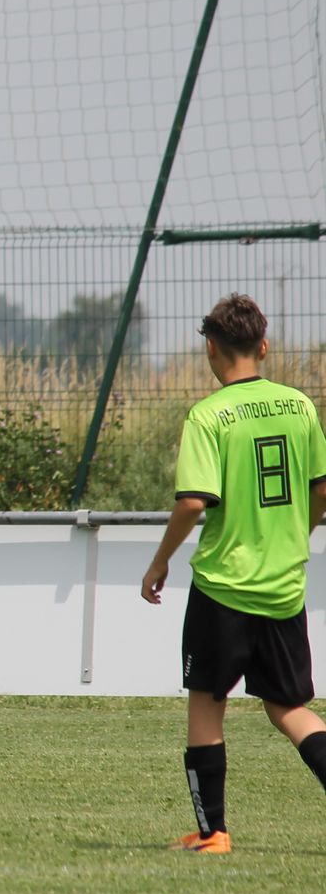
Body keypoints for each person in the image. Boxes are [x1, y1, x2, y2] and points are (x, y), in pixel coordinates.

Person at [140, 293, 326, 854]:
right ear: (263, 347)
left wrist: (160, 560)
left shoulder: (209, 415)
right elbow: (322, 490)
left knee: (207, 700)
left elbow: (193, 501)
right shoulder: (300, 407)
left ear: (211, 350)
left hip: (223, 587)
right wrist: (296, 535)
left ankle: (213, 833)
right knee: (290, 708)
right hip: (284, 585)